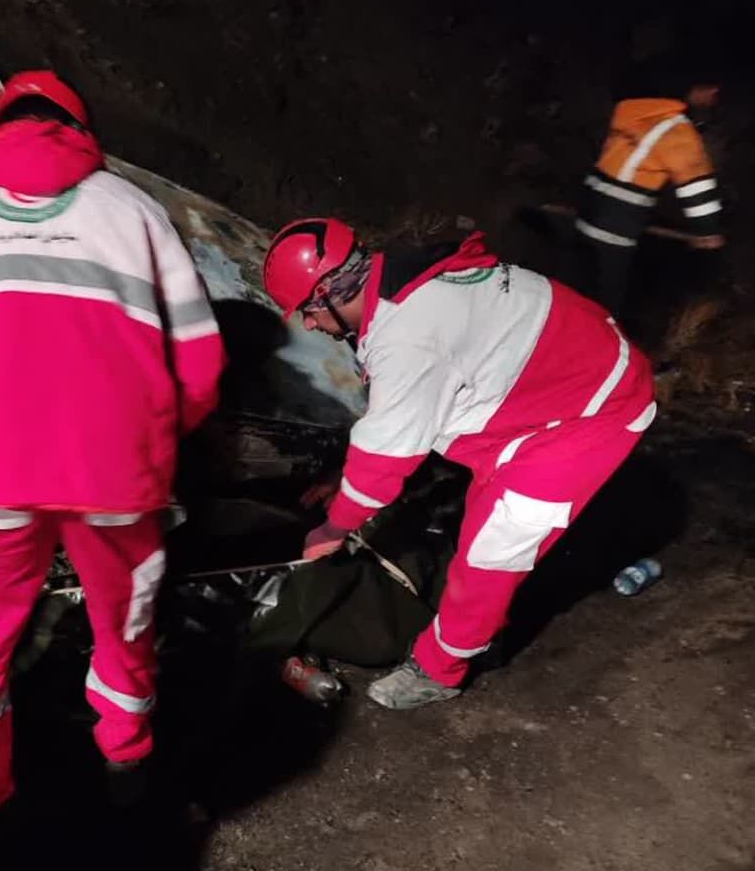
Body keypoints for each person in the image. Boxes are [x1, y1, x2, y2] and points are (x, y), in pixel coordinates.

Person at [0, 70, 225, 837]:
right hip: (115, 476)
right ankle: (126, 764)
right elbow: (201, 362)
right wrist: (151, 443)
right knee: (125, 626)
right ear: (81, 130)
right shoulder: (137, 211)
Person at [262, 219, 655, 709]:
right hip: (559, 375)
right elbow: (404, 418)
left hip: (592, 410)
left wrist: (333, 528)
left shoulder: (406, 336)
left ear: (330, 292)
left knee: (491, 553)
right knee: (480, 517)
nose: (308, 325)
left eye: (308, 311)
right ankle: (488, 620)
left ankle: (441, 668)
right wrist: (344, 480)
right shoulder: (399, 277)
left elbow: (386, 458)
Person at [576, 60, 724, 316]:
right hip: (615, 230)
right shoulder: (676, 130)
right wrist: (709, 234)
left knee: (578, 295)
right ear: (697, 89)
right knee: (606, 310)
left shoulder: (633, 113)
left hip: (586, 215)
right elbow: (698, 192)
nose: (715, 96)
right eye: (713, 90)